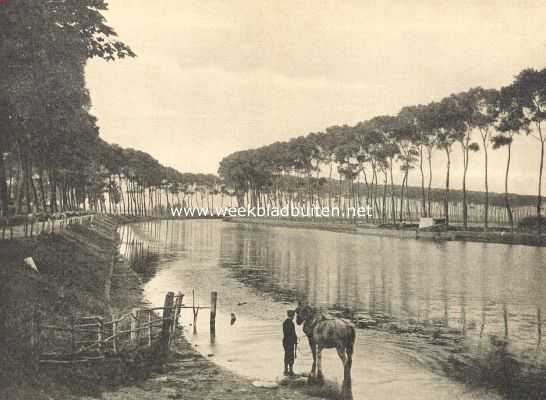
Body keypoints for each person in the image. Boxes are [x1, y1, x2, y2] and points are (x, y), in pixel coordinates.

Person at [282, 309, 298, 376]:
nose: (294, 317)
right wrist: (295, 339)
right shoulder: (291, 323)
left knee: (286, 355)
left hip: (285, 341)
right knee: (291, 356)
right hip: (290, 342)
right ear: (292, 315)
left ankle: (286, 370)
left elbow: (286, 333)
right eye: (294, 315)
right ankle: (291, 371)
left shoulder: (285, 322)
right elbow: (292, 333)